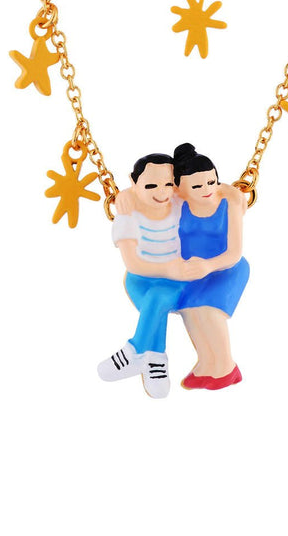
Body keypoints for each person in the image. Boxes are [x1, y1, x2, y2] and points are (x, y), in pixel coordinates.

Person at [96, 153, 208, 398]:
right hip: (140, 281)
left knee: (158, 298)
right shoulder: (128, 215)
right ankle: (151, 359)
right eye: (150, 186)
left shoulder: (179, 202)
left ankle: (139, 353)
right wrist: (125, 195)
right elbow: (133, 264)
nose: (162, 191)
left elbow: (213, 190)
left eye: (168, 183)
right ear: (133, 182)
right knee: (156, 298)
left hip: (177, 283)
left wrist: (235, 195)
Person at [172, 143, 249, 390]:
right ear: (179, 188)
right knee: (190, 312)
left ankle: (226, 367)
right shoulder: (178, 203)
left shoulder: (229, 202)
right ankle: (207, 364)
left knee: (209, 312)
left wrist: (208, 266)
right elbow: (146, 197)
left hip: (226, 268)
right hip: (194, 273)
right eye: (197, 186)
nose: (206, 189)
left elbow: (235, 253)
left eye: (211, 182)